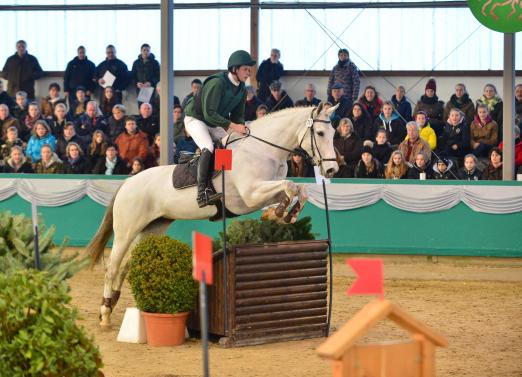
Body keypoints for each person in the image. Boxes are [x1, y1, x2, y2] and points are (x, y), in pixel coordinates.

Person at [184, 50, 255, 207]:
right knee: (208, 146)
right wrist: (233, 126)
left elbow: (238, 117)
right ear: (235, 69)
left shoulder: (242, 89)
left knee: (228, 146)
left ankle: (222, 185)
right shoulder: (217, 83)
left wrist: (241, 129)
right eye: (245, 69)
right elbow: (209, 114)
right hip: (195, 119)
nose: (249, 73)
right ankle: (202, 193)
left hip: (214, 122)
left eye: (249, 70)